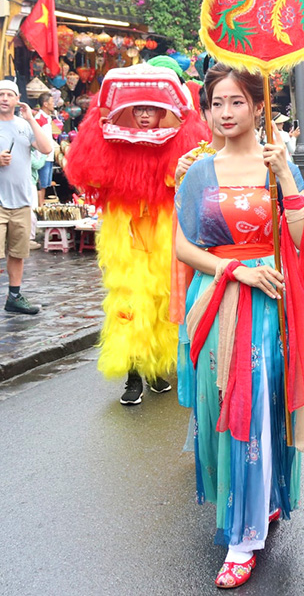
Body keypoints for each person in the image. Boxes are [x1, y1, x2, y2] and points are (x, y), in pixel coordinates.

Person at [175, 64, 304, 588]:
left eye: (237, 101)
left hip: (266, 309)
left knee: (255, 407)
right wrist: (233, 269)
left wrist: (284, 175)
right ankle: (255, 500)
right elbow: (184, 245)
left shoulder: (277, 166)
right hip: (217, 299)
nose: (226, 113)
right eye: (217, 103)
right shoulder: (198, 171)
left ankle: (243, 537)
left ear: (258, 106)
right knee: (224, 407)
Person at [64, 63, 207, 404]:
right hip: (124, 230)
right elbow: (87, 174)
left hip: (162, 228)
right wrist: (97, 128)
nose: (145, 116)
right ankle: (132, 376)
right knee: (127, 299)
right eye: (139, 108)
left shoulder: (181, 141)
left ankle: (157, 368)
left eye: (153, 108)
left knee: (162, 296)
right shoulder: (112, 139)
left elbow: (193, 176)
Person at [0, 80, 54, 325]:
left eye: (10, 95)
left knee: (18, 252)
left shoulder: (25, 126)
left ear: (17, 100)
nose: (5, 98)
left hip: (22, 199)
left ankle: (14, 297)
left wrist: (31, 119)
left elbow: (46, 149)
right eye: (0, 94)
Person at [34, 91, 57, 207]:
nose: (54, 104)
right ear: (45, 104)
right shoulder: (39, 118)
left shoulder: (47, 118)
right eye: (52, 102)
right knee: (41, 183)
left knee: (45, 184)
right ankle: (40, 207)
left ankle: (41, 205)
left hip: (48, 155)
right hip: (42, 156)